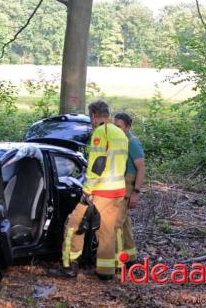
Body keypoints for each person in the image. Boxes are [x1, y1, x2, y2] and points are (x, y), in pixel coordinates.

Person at [54, 100, 128, 280]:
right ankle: (109, 269)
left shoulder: (101, 133)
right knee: (109, 230)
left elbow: (97, 164)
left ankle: (69, 266)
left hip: (100, 191)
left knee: (73, 224)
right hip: (118, 190)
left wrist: (87, 190)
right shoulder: (120, 133)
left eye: (90, 117)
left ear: (94, 116)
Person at [114, 112, 145, 265]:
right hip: (120, 183)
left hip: (128, 185)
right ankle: (130, 258)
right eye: (115, 126)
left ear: (128, 127)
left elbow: (141, 169)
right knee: (124, 223)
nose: (117, 129)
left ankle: (118, 261)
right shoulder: (121, 140)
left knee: (116, 223)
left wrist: (136, 193)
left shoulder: (132, 143)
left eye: (119, 126)